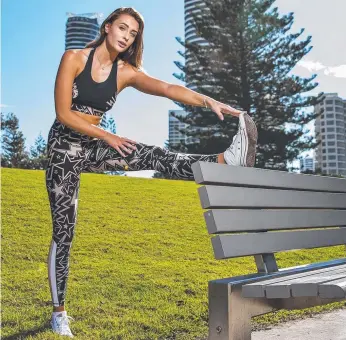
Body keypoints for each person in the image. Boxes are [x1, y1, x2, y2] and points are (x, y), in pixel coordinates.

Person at [46, 6, 257, 338]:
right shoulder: (74, 58)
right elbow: (62, 114)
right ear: (107, 27)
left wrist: (209, 101)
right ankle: (59, 313)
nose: (126, 36)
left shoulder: (125, 72)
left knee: (154, 155)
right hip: (63, 150)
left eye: (133, 33)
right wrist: (109, 136)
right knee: (64, 232)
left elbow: (168, 88)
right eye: (123, 28)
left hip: (94, 146)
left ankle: (222, 163)